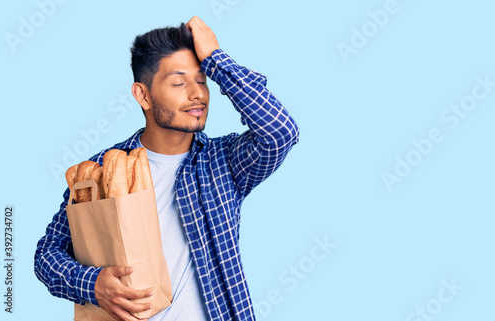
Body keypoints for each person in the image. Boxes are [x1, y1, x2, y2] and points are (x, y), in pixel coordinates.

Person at [34, 16, 299, 321]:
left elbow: (281, 131)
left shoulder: (224, 162)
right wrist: (92, 284)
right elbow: (47, 255)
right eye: (178, 82)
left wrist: (215, 60)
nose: (197, 93)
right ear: (142, 95)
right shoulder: (99, 171)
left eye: (202, 80)